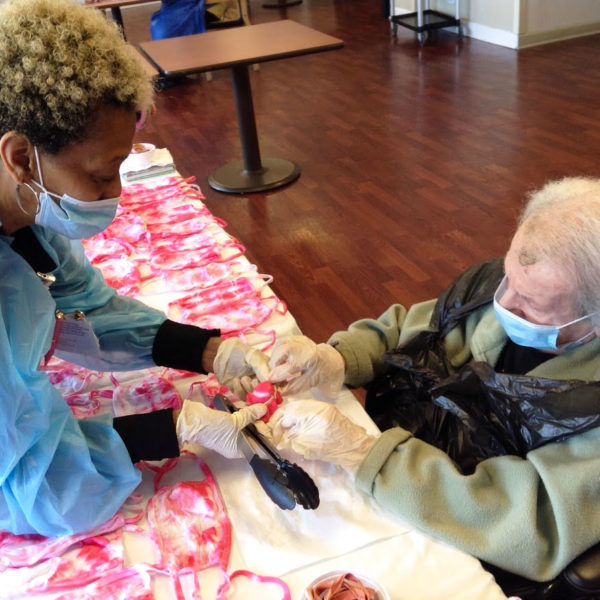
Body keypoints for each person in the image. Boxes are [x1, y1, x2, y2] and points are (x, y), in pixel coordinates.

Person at [0, 0, 268, 537]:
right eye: (101, 175)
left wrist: (208, 350)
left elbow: (84, 307)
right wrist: (169, 428)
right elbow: (45, 491)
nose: (115, 194)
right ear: (23, 158)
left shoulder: (29, 208)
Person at [264, 176, 600, 583]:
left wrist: (366, 454)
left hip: (463, 546)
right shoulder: (503, 289)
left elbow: (531, 523)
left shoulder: (589, 407)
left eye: (531, 304)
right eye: (509, 277)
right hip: (398, 483)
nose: (504, 304)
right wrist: (335, 358)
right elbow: (410, 330)